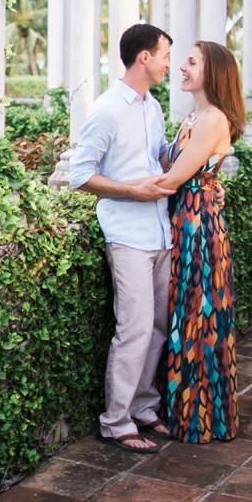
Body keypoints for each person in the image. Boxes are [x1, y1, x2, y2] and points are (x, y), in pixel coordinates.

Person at [71, 24, 178, 453]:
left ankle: (144, 406)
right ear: (144, 57)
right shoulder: (107, 109)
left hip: (161, 231)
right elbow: (80, 175)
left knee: (158, 326)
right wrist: (133, 190)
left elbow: (160, 156)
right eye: (165, 54)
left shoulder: (154, 108)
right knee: (132, 329)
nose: (170, 63)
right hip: (127, 236)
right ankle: (115, 421)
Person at [140, 40, 244, 444]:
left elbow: (173, 179)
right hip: (186, 220)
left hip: (198, 228)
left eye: (191, 62)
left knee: (198, 319)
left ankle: (200, 418)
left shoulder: (213, 119)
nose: (181, 67)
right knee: (186, 317)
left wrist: (107, 190)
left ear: (212, 72)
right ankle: (186, 412)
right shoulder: (194, 115)